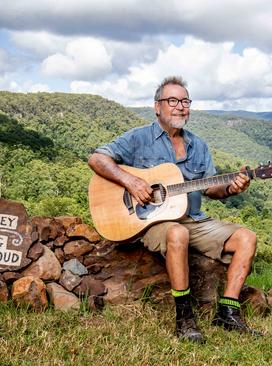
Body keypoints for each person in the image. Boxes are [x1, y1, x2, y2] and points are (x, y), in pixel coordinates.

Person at [88, 76, 260, 343]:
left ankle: (227, 310)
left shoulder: (198, 146)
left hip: (193, 218)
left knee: (247, 237)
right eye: (173, 101)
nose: (180, 106)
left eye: (185, 101)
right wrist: (131, 181)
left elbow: (210, 188)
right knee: (177, 233)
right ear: (158, 107)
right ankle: (185, 317)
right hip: (152, 221)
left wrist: (231, 188)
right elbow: (97, 158)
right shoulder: (138, 138)